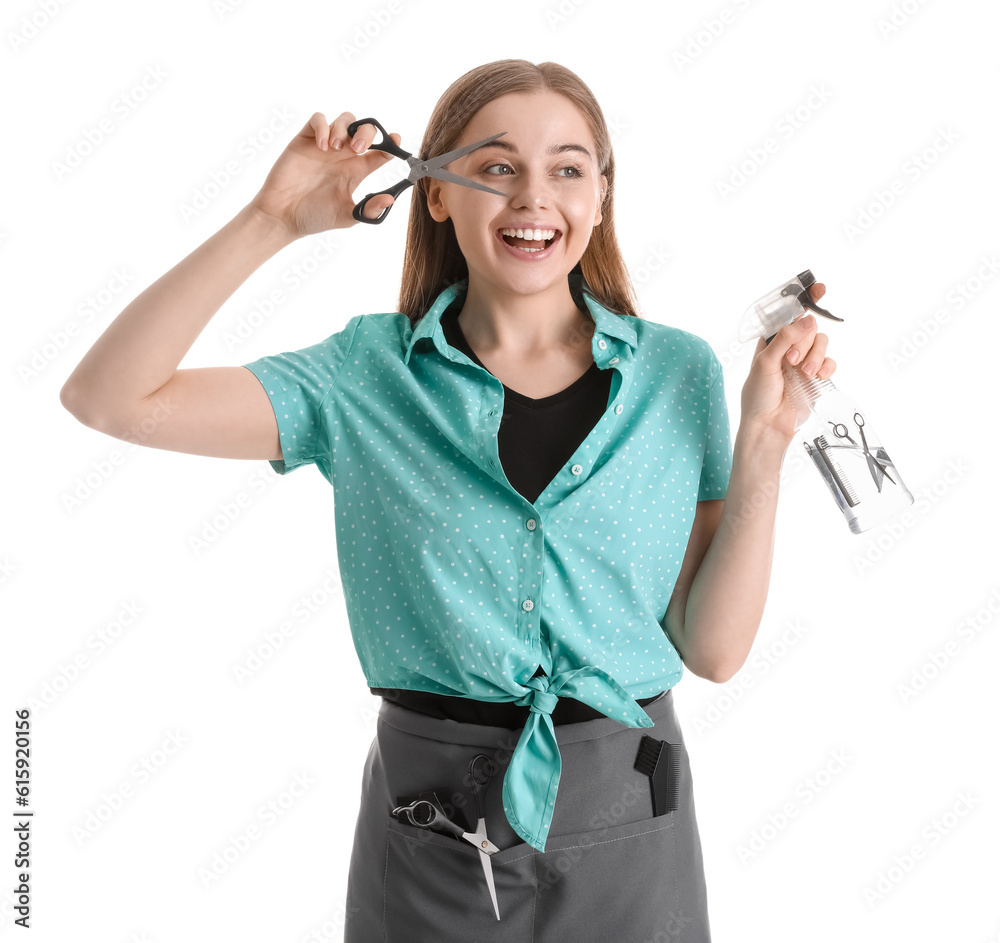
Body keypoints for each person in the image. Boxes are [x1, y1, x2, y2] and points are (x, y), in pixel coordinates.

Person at [61, 59, 834, 943]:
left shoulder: (678, 373)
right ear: (436, 194)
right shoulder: (364, 376)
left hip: (631, 804)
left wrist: (764, 445)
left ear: (603, 195)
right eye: (497, 167)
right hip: (433, 813)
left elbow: (714, 649)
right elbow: (110, 397)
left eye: (568, 168)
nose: (532, 197)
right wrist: (271, 222)